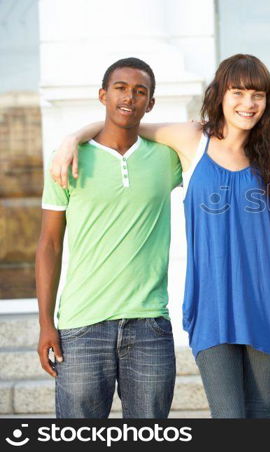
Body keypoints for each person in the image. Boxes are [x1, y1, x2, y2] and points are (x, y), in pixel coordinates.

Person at [48, 54, 270, 418]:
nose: (248, 103)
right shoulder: (192, 138)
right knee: (229, 417)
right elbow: (125, 123)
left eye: (257, 95)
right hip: (212, 305)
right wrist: (72, 137)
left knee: (261, 415)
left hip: (266, 301)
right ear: (221, 94)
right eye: (238, 92)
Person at [36, 57, 180, 418]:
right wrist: (45, 324)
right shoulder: (67, 159)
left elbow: (205, 132)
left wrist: (77, 131)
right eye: (120, 88)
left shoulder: (167, 159)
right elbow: (49, 245)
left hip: (149, 324)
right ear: (103, 95)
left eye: (140, 91)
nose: (128, 97)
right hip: (82, 327)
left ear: (151, 103)